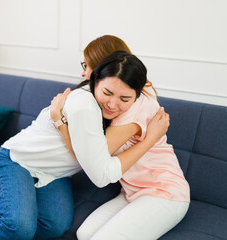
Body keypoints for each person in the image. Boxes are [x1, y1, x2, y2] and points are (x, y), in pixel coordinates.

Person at [0, 38, 170, 240]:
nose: (83, 73)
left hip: (55, 173)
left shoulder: (115, 101)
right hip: (18, 160)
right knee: (19, 226)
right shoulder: (84, 104)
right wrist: (59, 121)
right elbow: (98, 167)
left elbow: (90, 155)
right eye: (108, 91)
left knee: (54, 226)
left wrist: (60, 122)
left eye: (86, 65)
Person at [50, 51, 190, 240]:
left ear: (138, 94)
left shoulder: (136, 112)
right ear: (96, 80)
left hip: (165, 193)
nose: (112, 105)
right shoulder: (88, 101)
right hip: (131, 192)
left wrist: (59, 122)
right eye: (107, 93)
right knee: (84, 234)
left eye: (124, 99)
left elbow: (93, 161)